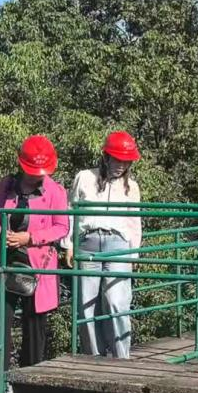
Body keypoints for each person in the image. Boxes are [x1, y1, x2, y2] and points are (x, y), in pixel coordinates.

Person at [0, 136, 69, 393]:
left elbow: (62, 227)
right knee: (1, 322)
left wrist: (30, 238)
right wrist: (2, 233)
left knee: (35, 325)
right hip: (7, 261)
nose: (37, 176)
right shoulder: (7, 185)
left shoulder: (55, 191)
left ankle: (30, 383)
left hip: (37, 264)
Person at [62, 131, 142, 358]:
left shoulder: (131, 187)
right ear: (106, 157)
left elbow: (134, 221)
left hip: (118, 244)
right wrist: (68, 244)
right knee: (86, 307)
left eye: (126, 161)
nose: (121, 165)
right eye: (117, 159)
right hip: (87, 242)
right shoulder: (84, 177)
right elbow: (71, 210)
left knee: (116, 302)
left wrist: (134, 254)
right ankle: (94, 359)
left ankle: (122, 358)